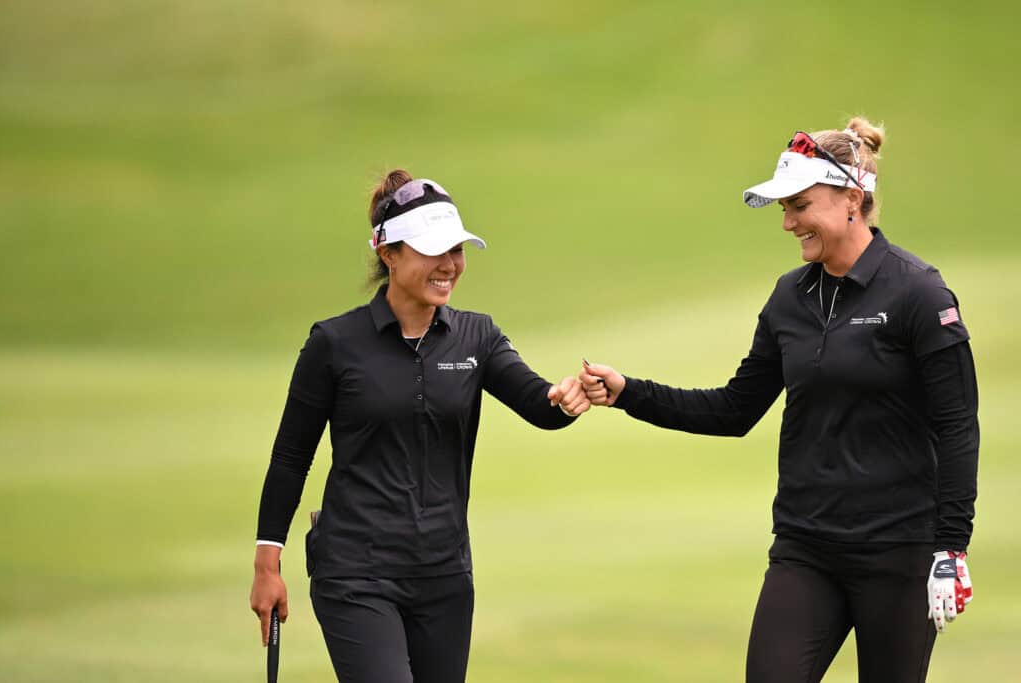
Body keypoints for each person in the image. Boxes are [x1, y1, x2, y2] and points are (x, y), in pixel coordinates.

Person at [579, 118, 978, 683]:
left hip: (900, 552)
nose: (788, 223)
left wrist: (951, 549)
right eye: (784, 210)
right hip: (807, 547)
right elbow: (735, 409)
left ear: (851, 200)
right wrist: (629, 393)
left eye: (799, 206)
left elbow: (957, 425)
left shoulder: (918, 292)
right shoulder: (790, 297)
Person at [249, 170, 590, 683]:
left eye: (456, 249)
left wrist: (566, 399)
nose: (449, 265)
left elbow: (538, 404)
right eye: (433, 250)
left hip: (444, 577)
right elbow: (291, 455)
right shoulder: (335, 344)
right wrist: (266, 565)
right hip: (355, 574)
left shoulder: (477, 336)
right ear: (389, 254)